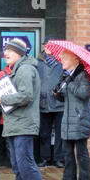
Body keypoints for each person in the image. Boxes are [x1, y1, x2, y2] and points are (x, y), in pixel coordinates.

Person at [0, 38, 51, 180]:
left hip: (23, 125)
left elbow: (26, 96)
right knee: (18, 164)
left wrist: (1, 99)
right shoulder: (17, 70)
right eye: (5, 50)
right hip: (16, 124)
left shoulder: (24, 69)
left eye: (9, 50)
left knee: (25, 163)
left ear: (18, 52)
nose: (5, 53)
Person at [53, 49, 90, 180]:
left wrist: (69, 84)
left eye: (64, 58)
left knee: (81, 153)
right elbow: (63, 98)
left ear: (75, 60)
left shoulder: (84, 76)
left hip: (80, 119)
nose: (61, 61)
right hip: (68, 120)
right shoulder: (66, 76)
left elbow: (84, 94)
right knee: (67, 153)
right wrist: (58, 91)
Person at [37, 38, 64, 168]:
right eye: (46, 45)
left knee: (60, 134)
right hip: (43, 103)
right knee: (44, 134)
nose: (48, 47)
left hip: (59, 103)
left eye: (51, 45)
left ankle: (58, 159)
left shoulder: (61, 63)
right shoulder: (38, 63)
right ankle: (45, 158)